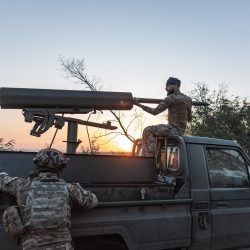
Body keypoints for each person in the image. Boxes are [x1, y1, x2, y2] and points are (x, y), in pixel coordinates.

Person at [0, 148, 98, 250]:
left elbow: (1, 180)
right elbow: (93, 201)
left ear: (37, 165)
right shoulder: (70, 188)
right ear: (60, 168)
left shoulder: (23, 185)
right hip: (63, 246)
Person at [134, 77, 192, 157]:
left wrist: (139, 105)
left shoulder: (171, 98)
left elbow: (154, 112)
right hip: (181, 130)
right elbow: (189, 118)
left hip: (173, 129)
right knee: (157, 134)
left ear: (175, 85)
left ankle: (148, 159)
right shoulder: (188, 99)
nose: (166, 88)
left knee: (148, 130)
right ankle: (155, 155)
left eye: (168, 86)